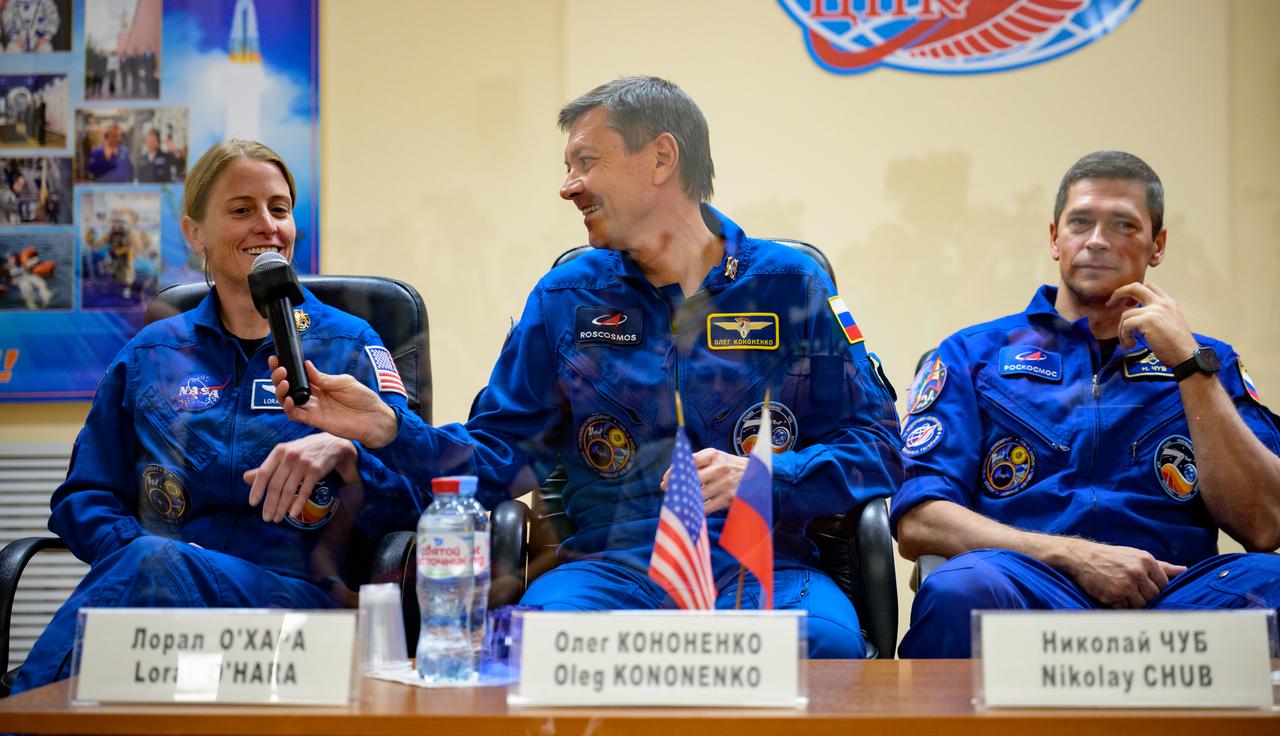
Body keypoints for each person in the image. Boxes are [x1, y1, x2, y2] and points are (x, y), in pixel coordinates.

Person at [270, 77, 903, 658]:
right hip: (612, 570)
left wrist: (768, 476)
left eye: (587, 162)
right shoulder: (566, 297)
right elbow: (497, 455)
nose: (569, 185)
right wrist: (388, 429)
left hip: (765, 563)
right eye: (569, 167)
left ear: (661, 158)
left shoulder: (792, 286)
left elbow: (879, 446)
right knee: (532, 650)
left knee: (823, 650)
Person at [10, 140, 426, 694]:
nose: (267, 226)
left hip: (300, 609)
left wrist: (349, 458)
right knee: (148, 578)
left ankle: (17, 713)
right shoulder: (150, 355)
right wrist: (148, 555)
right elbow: (83, 497)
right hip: (159, 609)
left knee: (144, 582)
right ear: (194, 232)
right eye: (241, 209)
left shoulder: (350, 344)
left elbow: (418, 495)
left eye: (280, 209)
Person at [892, 150, 1280, 658]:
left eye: (1123, 224)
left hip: (1177, 596)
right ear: (1055, 238)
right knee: (959, 588)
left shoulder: (1209, 363)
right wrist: (1074, 556)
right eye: (1081, 222)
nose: (1097, 240)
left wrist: (1189, 365)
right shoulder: (973, 355)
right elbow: (919, 520)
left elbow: (1265, 524)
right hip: (1031, 585)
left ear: (1157, 245)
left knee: (1269, 583)